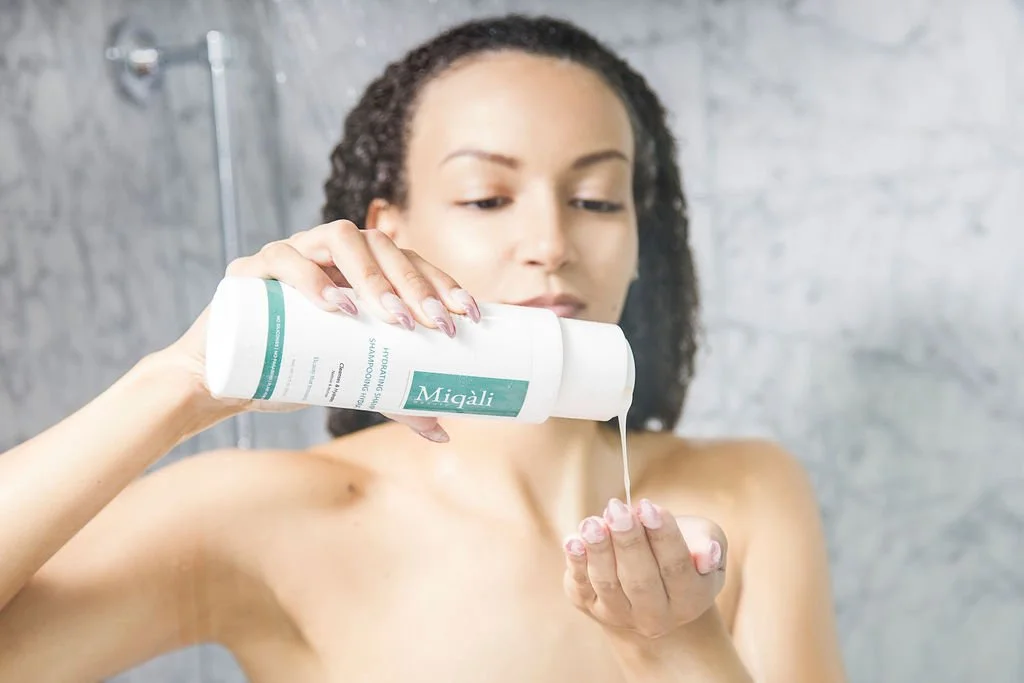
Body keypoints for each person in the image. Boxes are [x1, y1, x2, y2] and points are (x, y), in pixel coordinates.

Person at [0, 14, 846, 683]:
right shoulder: (267, 520)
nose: (550, 241)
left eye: (595, 199)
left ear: (637, 236)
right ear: (387, 235)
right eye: (487, 197)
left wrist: (673, 644)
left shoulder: (746, 493)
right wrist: (180, 380)